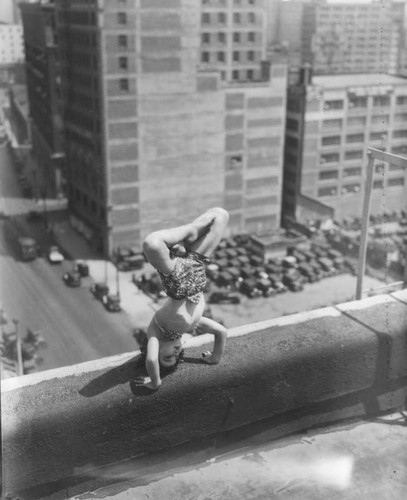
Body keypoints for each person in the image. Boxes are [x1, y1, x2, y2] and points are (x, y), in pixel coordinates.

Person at [134, 207, 229, 390]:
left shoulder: (155, 332)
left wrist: (155, 382)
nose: (176, 353)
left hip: (177, 282)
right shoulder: (191, 326)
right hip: (196, 267)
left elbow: (152, 359)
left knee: (152, 244)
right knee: (221, 215)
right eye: (177, 357)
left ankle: (189, 231)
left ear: (155, 347)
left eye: (168, 357)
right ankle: (184, 242)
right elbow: (221, 332)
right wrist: (215, 358)